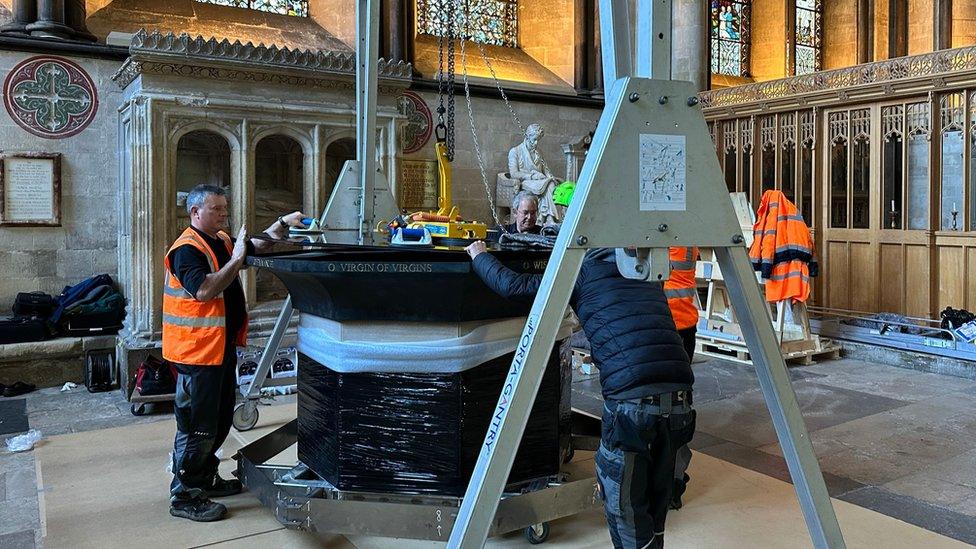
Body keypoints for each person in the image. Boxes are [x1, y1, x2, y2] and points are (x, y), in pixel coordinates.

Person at [464, 182, 694, 549]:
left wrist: (479, 256)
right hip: (681, 403)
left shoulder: (582, 270)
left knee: (625, 510)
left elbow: (517, 288)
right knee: (655, 508)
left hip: (632, 409)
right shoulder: (641, 271)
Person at [163, 184, 307, 522]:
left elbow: (258, 244)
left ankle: (205, 476)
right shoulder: (186, 249)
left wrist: (283, 223)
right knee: (197, 426)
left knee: (219, 419)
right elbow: (204, 289)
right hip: (195, 353)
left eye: (225, 209)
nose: (223, 214)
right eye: (216, 209)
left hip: (218, 349)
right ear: (195, 212)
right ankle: (184, 494)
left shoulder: (221, 240)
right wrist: (238, 257)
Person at [664, 246, 700, 510]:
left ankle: (666, 484)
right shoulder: (686, 236)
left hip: (661, 326)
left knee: (659, 406)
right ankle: (673, 485)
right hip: (685, 326)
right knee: (679, 404)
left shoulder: (647, 231)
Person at [507, 123, 561, 224]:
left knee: (551, 184)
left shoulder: (538, 152)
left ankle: (548, 216)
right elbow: (514, 173)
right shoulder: (515, 151)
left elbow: (546, 170)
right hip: (526, 181)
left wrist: (551, 177)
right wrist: (532, 176)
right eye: (534, 139)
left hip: (541, 181)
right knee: (547, 185)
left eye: (538, 140)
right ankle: (547, 217)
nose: (536, 143)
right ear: (527, 137)